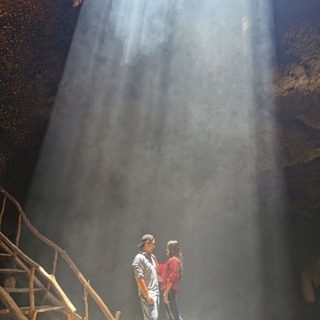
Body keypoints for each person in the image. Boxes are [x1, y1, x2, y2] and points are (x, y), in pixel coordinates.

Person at [132, 234, 160, 320]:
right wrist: (147, 295)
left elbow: (157, 273)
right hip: (148, 294)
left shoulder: (151, 258)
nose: (154, 246)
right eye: (153, 244)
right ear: (147, 243)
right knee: (153, 318)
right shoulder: (139, 258)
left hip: (156, 293)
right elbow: (139, 278)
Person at [158, 240, 183, 320]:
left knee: (174, 316)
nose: (166, 250)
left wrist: (166, 293)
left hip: (170, 291)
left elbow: (171, 278)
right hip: (169, 291)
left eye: (168, 248)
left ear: (171, 249)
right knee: (170, 316)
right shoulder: (171, 260)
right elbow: (161, 269)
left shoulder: (174, 260)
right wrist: (154, 259)